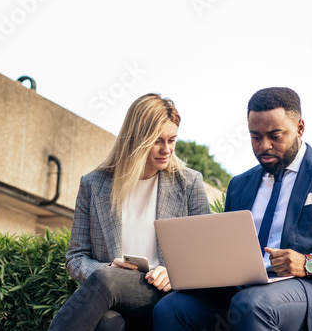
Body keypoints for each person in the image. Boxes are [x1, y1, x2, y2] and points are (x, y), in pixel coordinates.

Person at [153, 87, 312, 331]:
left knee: (254, 304)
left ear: (300, 128)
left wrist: (309, 263)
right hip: (244, 292)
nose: (264, 146)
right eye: (255, 137)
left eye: (275, 136)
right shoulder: (239, 185)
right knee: (171, 308)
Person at [48, 93, 211, 331]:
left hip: (166, 296)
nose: (167, 149)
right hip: (112, 297)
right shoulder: (93, 185)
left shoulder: (188, 183)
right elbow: (76, 257)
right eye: (157, 141)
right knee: (107, 323)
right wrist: (109, 270)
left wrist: (174, 273)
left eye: (172, 140)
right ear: (136, 139)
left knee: (106, 281)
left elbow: (206, 255)